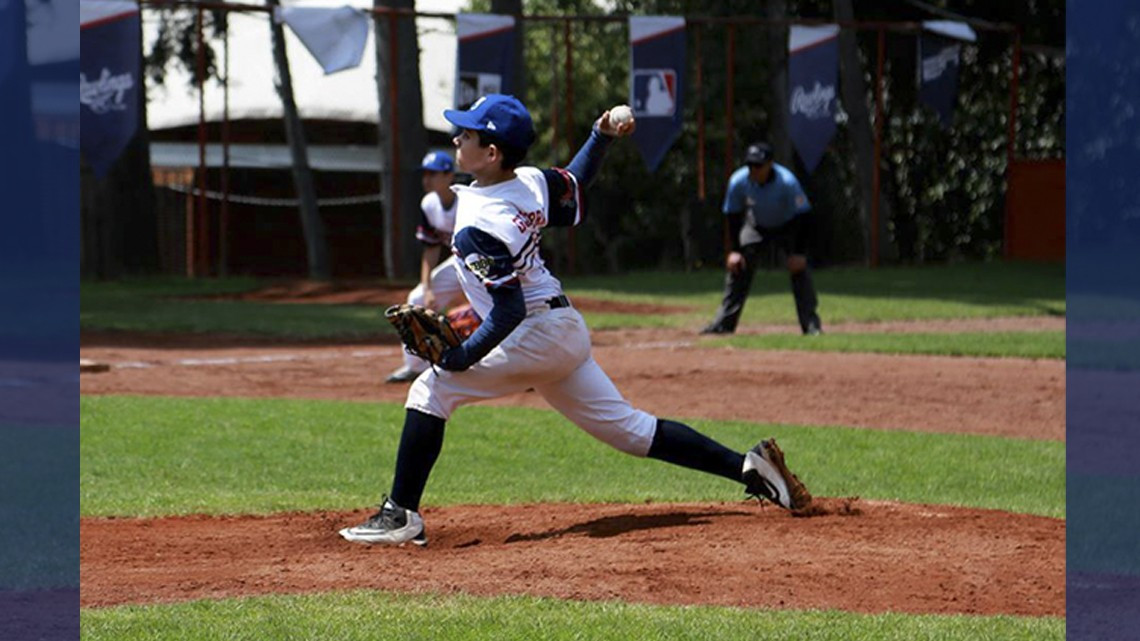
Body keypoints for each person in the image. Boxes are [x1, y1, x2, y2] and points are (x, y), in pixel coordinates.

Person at [340, 95, 810, 546]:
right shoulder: (526, 181)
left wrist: (461, 356)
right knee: (630, 430)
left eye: (466, 134)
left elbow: (509, 310)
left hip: (536, 333)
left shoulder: (481, 225)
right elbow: (574, 181)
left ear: (490, 152)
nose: (456, 139)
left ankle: (401, 514)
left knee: (431, 388)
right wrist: (599, 135)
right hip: (561, 330)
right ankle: (748, 467)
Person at [701, 142, 823, 336]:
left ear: (770, 164)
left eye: (758, 166)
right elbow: (732, 216)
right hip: (756, 225)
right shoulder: (738, 181)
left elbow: (804, 216)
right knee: (738, 267)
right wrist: (734, 251)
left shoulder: (787, 182)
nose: (753, 170)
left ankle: (811, 326)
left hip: (788, 224)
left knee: (800, 271)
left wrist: (798, 253)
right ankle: (723, 324)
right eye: (750, 165)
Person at [385, 151, 469, 383]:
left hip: (485, 262)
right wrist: (428, 287)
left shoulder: (468, 201)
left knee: (506, 310)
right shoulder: (429, 204)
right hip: (458, 262)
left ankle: (528, 370)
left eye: (433, 173)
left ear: (449, 175)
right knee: (417, 298)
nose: (427, 179)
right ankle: (416, 366)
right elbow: (431, 248)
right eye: (425, 173)